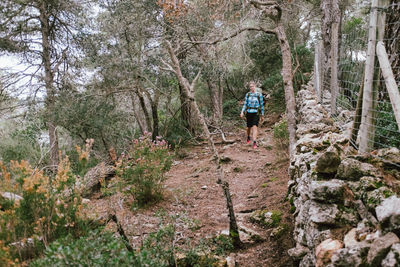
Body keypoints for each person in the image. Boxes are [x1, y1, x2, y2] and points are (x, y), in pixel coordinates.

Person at [240, 81, 264, 149]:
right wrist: (242, 111)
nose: (251, 88)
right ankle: (248, 137)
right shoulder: (247, 95)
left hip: (256, 112)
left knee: (255, 127)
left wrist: (262, 115)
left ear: (255, 87)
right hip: (249, 112)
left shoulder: (259, 95)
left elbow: (261, 105)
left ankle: (254, 142)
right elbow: (245, 104)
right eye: (250, 87)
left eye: (252, 86)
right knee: (248, 127)